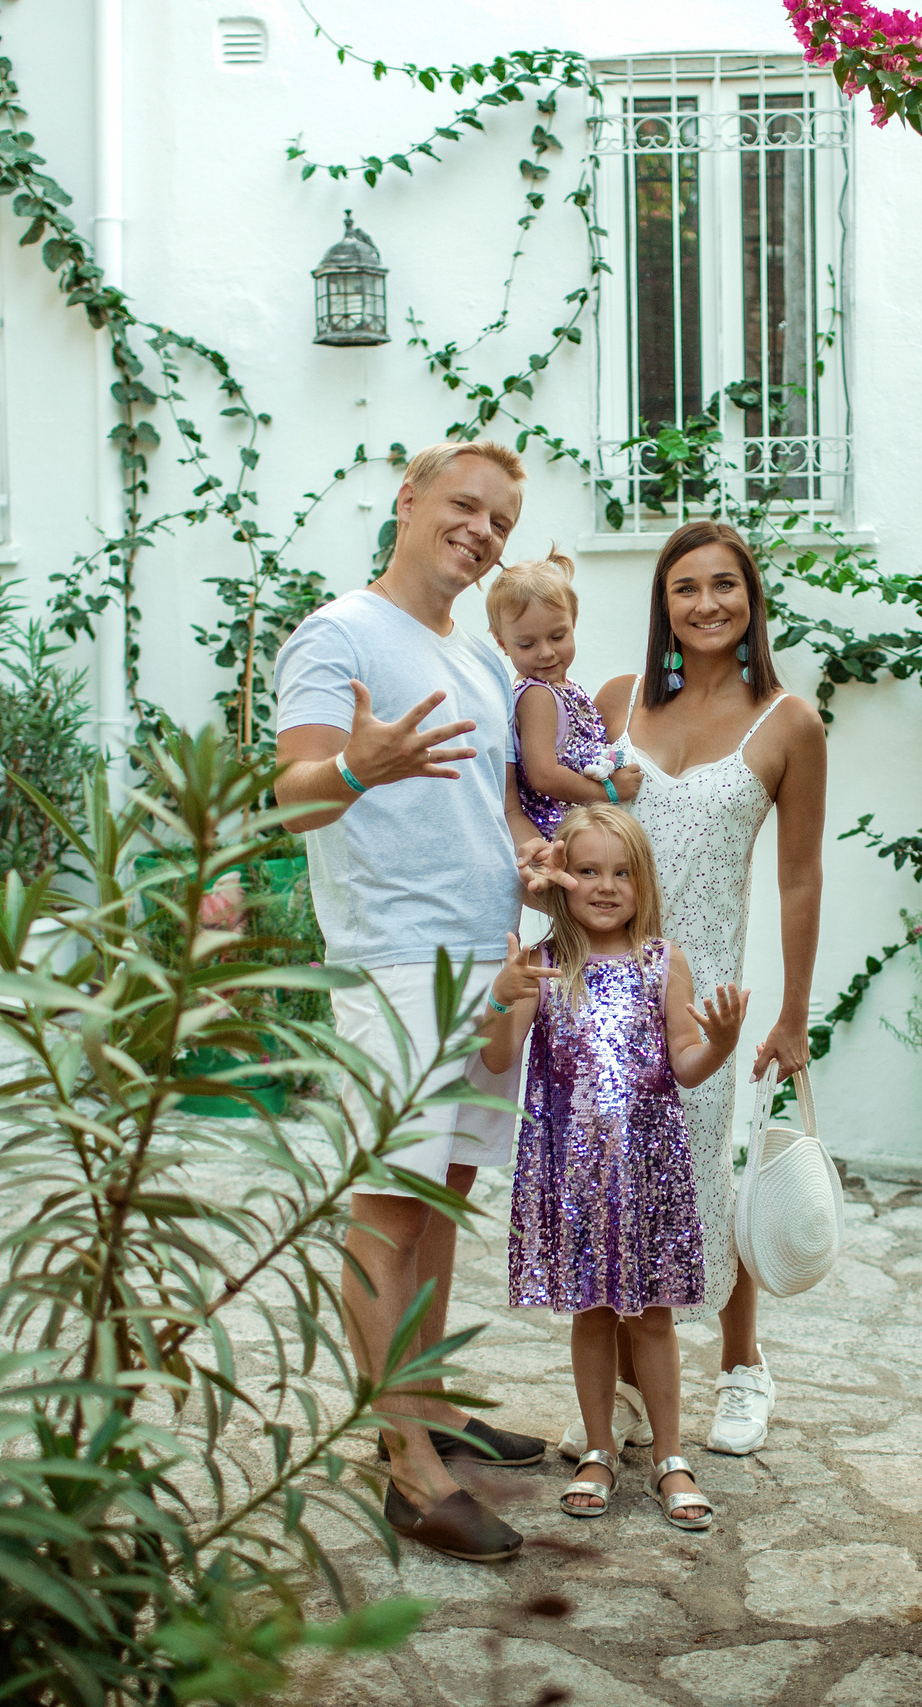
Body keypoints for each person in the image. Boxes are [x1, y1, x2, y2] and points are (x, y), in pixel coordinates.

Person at [272, 438, 548, 1564]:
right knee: (386, 1211)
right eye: (466, 508)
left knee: (442, 1200)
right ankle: (402, 1461)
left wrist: (533, 862)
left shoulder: (477, 659)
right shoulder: (336, 635)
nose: (480, 534)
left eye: (500, 525)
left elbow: (493, 809)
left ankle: (427, 1402)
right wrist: (353, 770)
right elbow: (290, 802)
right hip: (396, 968)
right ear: (409, 499)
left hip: (488, 966)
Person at [581, 519, 828, 1458]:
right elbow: (563, 820)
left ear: (752, 600)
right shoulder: (615, 699)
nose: (707, 603)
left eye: (725, 585)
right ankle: (632, 1390)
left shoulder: (789, 722)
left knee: (705, 1176)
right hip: (606, 987)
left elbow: (798, 876)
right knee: (608, 1182)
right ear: (664, 605)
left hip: (708, 989)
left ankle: (740, 1365)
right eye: (686, 588)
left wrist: (792, 1013)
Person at [479, 806, 749, 1528]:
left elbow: (687, 1065)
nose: (605, 886)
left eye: (622, 871)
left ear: (644, 881)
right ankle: (599, 1445)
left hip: (648, 1177)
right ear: (560, 880)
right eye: (589, 870)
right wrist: (505, 997)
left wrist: (720, 1044)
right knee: (593, 1316)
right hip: (573, 1179)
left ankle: (668, 1455)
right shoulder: (541, 963)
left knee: (653, 1317)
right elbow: (500, 1056)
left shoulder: (663, 960)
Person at [488, 549, 644, 842]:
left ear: (574, 622)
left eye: (557, 637)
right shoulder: (537, 695)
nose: (546, 652)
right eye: (526, 644)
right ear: (502, 642)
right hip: (557, 838)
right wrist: (610, 792)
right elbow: (543, 775)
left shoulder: (564, 687)